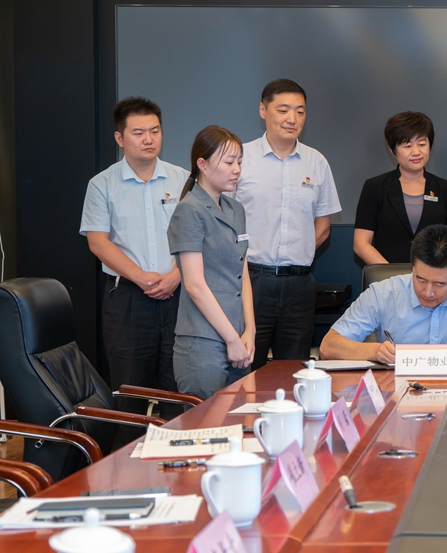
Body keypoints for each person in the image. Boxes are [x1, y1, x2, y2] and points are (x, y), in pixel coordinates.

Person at [80, 97, 188, 404]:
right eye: (138, 132)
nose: (148, 139)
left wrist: (177, 276)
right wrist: (142, 278)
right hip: (127, 298)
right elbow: (98, 242)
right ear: (120, 138)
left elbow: (198, 237)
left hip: (178, 295)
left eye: (155, 131)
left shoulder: (183, 180)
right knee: (130, 394)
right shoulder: (102, 184)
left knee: (178, 393)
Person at [233, 79, 341, 369]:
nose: (292, 118)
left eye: (300, 111)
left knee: (294, 371)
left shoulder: (316, 162)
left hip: (300, 285)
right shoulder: (239, 158)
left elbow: (323, 226)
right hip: (251, 281)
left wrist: (298, 253)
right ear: (263, 110)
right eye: (283, 110)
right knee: (245, 368)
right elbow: (220, 219)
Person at [320, 224, 447, 364]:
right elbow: (328, 346)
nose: (428, 292)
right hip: (395, 390)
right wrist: (375, 351)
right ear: (412, 267)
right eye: (420, 279)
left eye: (439, 284)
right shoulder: (383, 293)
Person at [168, 126, 255, 399]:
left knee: (239, 419)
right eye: (229, 162)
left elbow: (243, 273)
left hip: (238, 337)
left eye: (239, 162)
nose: (236, 169)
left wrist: (250, 330)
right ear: (202, 165)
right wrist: (231, 339)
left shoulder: (235, 209)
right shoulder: (189, 210)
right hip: (203, 341)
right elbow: (195, 285)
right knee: (206, 422)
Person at [353, 111, 447, 264]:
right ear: (393, 150)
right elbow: (361, 244)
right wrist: (391, 274)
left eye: (422, 144)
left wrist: (432, 274)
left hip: (434, 276)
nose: (416, 152)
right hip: (387, 275)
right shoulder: (375, 187)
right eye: (407, 145)